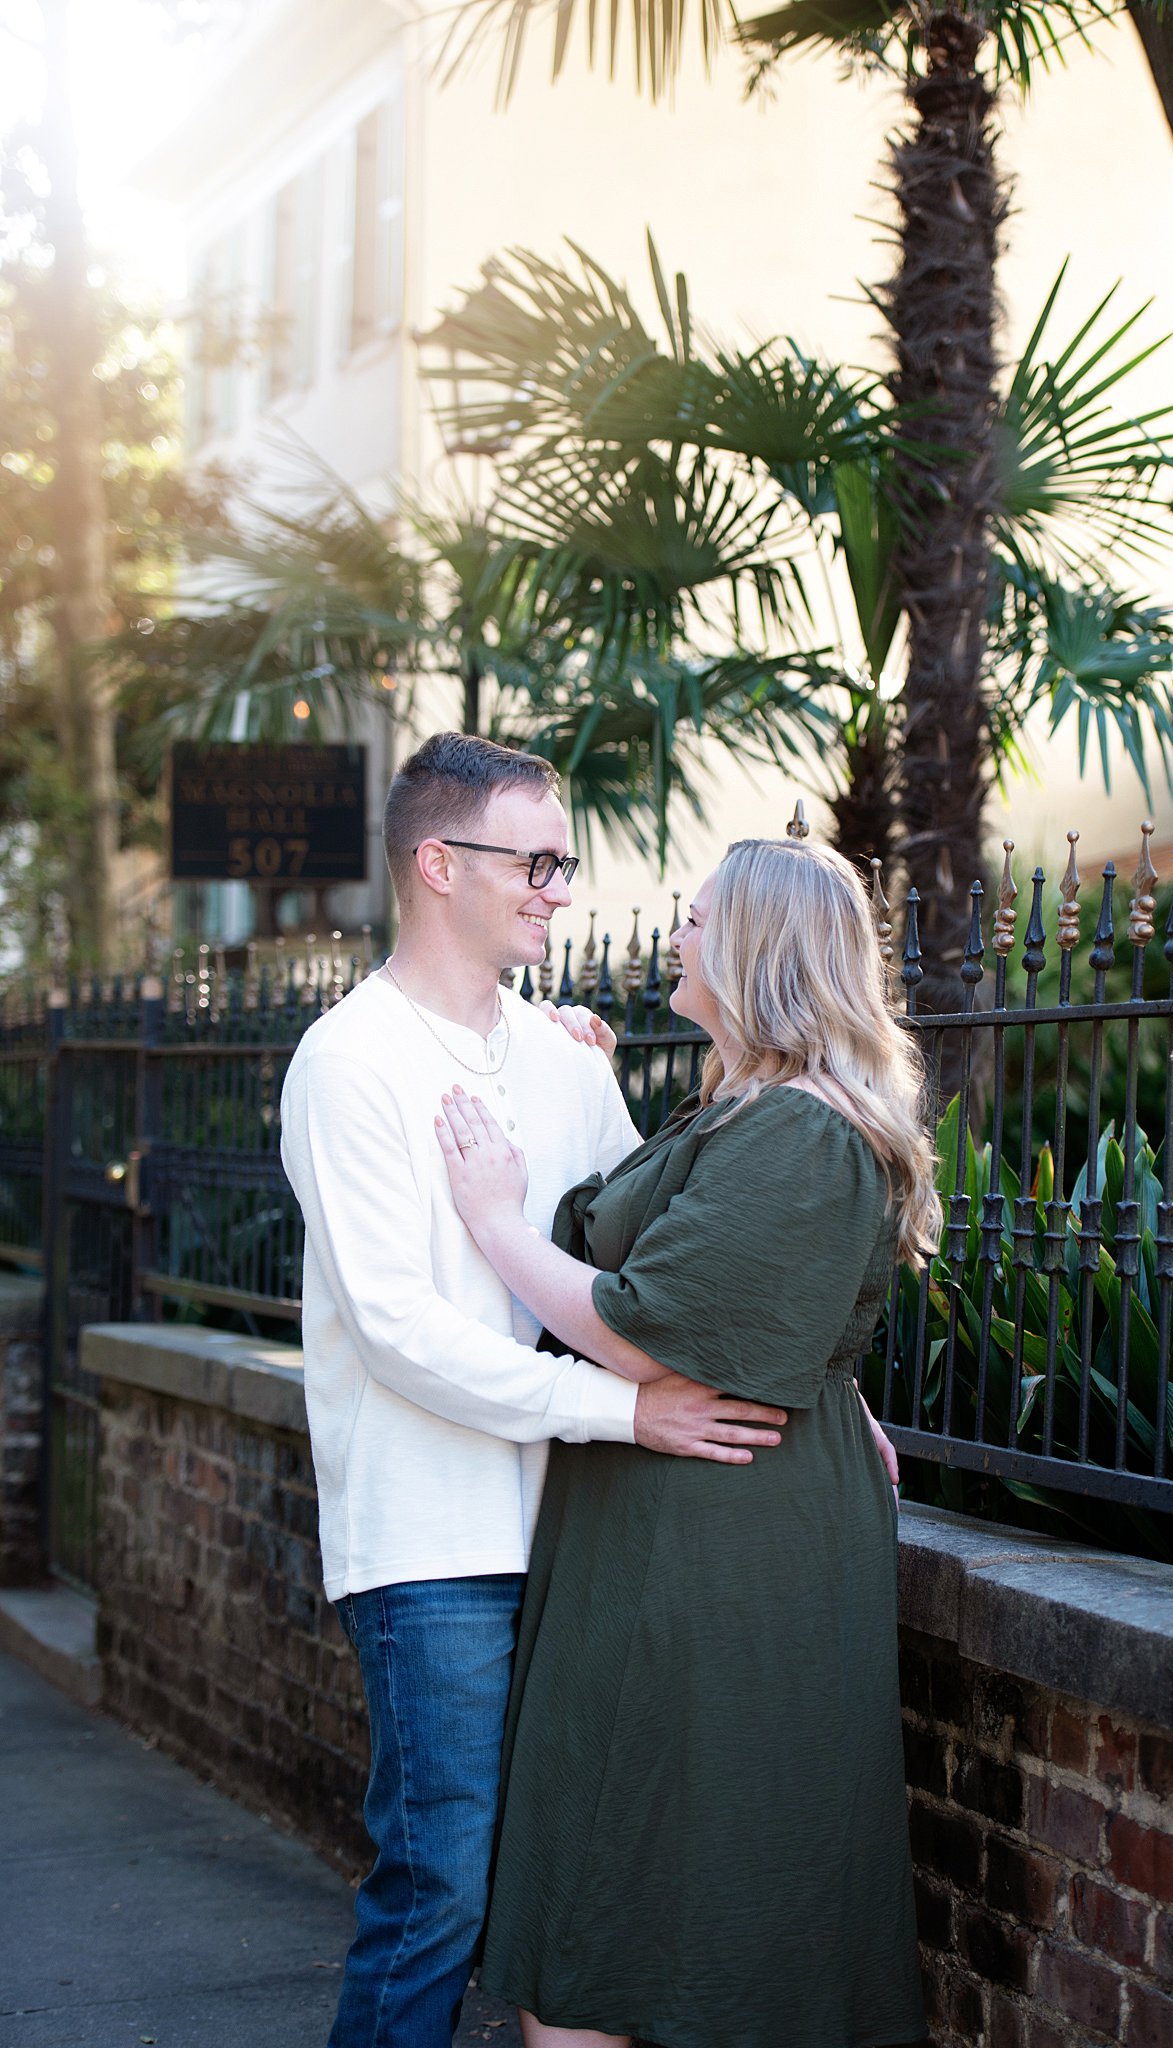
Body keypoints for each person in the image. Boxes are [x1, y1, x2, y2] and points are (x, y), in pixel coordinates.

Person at [279, 733, 788, 2048]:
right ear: (438, 865)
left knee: (561, 1894)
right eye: (538, 861)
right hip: (434, 1546)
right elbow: (398, 1332)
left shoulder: (563, 1056)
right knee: (439, 1890)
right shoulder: (348, 1064)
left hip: (583, 1534)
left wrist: (827, 1390)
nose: (561, 886)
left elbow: (660, 1250)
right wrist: (632, 1412)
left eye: (566, 864)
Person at [435, 834, 942, 2048]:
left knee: (663, 1883)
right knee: (607, 1877)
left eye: (699, 916)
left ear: (759, 946)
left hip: (719, 1534)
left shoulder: (801, 1131)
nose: (675, 932)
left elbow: (647, 1325)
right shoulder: (741, 1105)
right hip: (668, 1515)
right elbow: (727, 1281)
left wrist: (497, 1223)